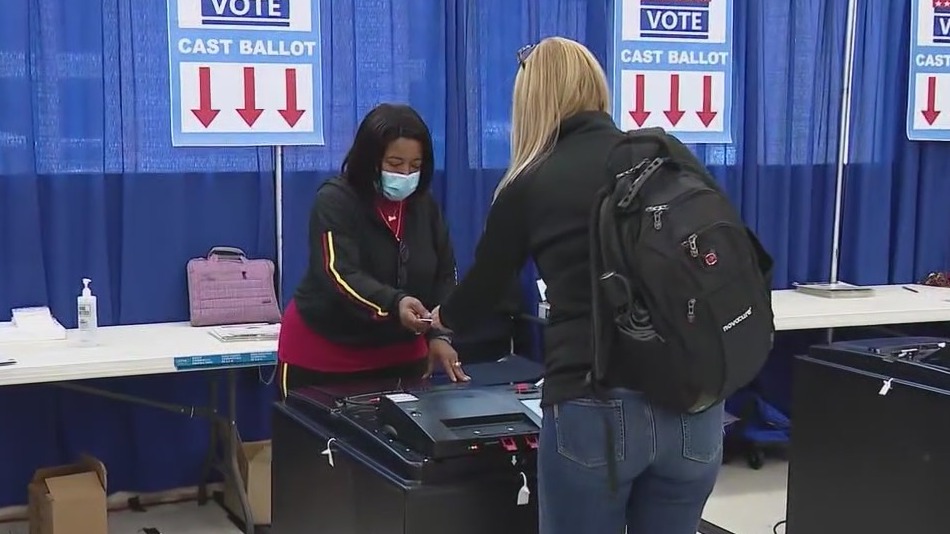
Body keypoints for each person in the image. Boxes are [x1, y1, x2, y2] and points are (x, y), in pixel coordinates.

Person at [431, 38, 723, 534]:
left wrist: (441, 320)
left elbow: (483, 290)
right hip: (696, 400)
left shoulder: (531, 182)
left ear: (533, 100)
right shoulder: (669, 157)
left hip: (596, 400)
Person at [277, 103, 469, 399]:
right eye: (395, 163)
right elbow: (338, 273)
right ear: (370, 159)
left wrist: (439, 334)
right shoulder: (335, 201)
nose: (405, 174)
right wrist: (395, 303)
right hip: (325, 357)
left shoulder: (425, 207)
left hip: (402, 358)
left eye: (415, 166)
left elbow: (444, 273)